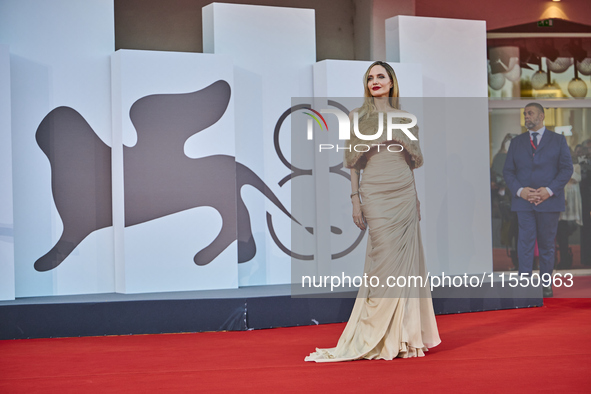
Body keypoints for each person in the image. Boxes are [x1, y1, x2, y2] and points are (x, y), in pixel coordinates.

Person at [305, 61, 440, 362]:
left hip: (404, 192)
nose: (375, 81)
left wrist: (415, 198)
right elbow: (353, 164)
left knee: (405, 268)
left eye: (381, 76)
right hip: (375, 193)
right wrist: (356, 199)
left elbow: (411, 160)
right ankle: (374, 334)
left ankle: (403, 337)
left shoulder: (406, 117)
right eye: (370, 78)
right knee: (385, 261)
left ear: (392, 82)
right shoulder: (357, 117)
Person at [502, 103, 573, 297]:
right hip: (523, 203)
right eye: (525, 113)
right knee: (524, 244)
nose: (526, 116)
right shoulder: (517, 142)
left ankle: (545, 285)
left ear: (541, 116)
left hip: (549, 202)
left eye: (530, 113)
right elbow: (508, 171)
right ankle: (524, 285)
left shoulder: (558, 141)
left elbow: (567, 169)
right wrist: (520, 191)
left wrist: (548, 191)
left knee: (547, 245)